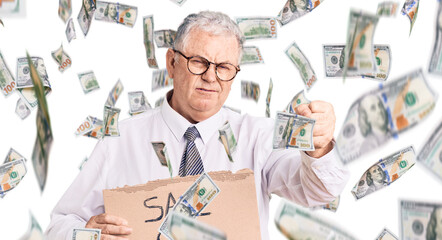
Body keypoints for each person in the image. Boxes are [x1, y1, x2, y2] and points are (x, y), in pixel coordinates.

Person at [45, 11, 349, 240]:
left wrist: (319, 148)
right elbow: (59, 224)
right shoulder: (119, 140)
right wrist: (85, 233)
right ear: (172, 63)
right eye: (199, 62)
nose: (211, 77)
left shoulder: (259, 137)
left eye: (224, 68)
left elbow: (320, 192)